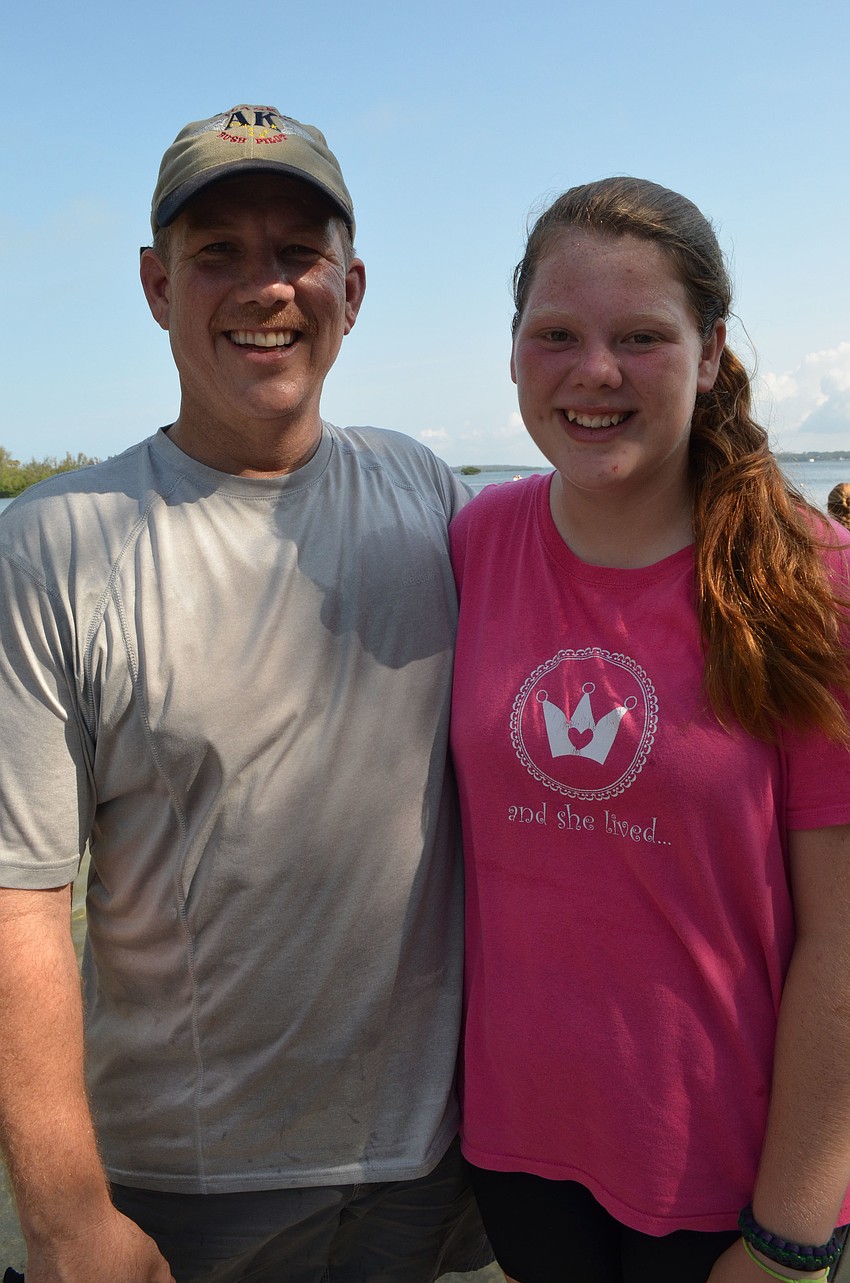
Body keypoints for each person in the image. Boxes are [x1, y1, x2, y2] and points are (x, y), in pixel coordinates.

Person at [0, 104, 490, 1283]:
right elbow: (19, 901)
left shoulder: (426, 492)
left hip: (430, 1153)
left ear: (351, 289)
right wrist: (66, 1217)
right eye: (217, 251)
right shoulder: (54, 544)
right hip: (183, 1178)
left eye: (297, 252)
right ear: (156, 285)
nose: (265, 286)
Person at [449, 178, 850, 1283]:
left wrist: (790, 1231)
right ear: (514, 352)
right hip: (521, 1149)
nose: (595, 372)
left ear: (709, 351)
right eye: (556, 335)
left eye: (641, 337)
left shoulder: (812, 580)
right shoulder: (476, 541)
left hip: (728, 1178)